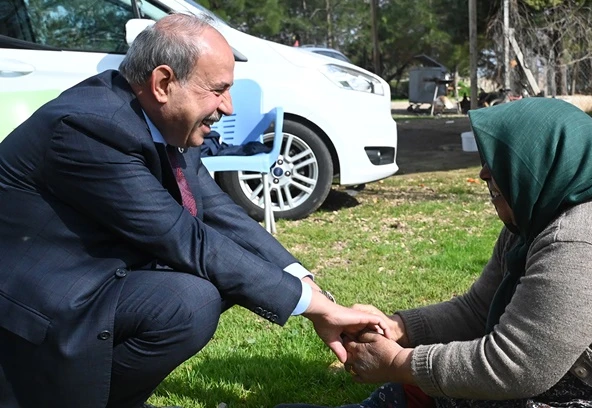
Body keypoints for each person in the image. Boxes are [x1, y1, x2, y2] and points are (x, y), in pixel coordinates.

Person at [0, 13, 387, 408]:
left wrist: (306, 284)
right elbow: (186, 239)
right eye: (218, 90)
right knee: (190, 300)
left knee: (205, 288)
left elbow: (220, 213)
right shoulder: (91, 129)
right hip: (32, 305)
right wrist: (315, 310)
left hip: (86, 271)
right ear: (164, 83)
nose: (229, 107)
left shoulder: (156, 119)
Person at [276, 98, 592, 408]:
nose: (485, 173)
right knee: (458, 373)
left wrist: (400, 363)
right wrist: (400, 327)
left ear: (542, 161)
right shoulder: (536, 217)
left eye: (500, 165)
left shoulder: (589, 236)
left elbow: (518, 365)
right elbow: (479, 308)